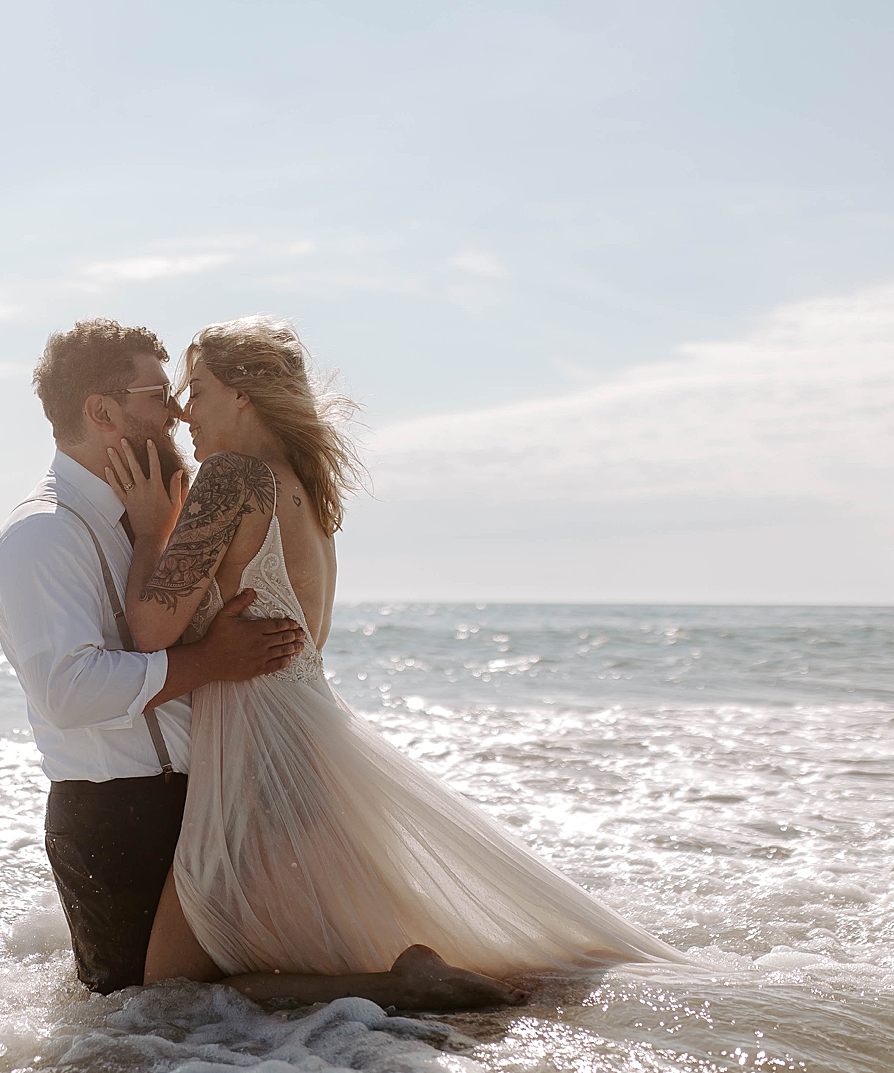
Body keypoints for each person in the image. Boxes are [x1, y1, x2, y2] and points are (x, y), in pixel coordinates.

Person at [103, 316, 688, 1008]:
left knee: (167, 995)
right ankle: (405, 990)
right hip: (309, 756)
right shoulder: (305, 489)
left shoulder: (233, 478)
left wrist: (148, 530)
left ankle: (403, 987)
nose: (182, 410)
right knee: (238, 973)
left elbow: (149, 628)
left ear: (244, 396)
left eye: (197, 390)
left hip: (259, 770)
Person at [0, 319, 308, 995]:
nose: (175, 411)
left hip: (202, 802)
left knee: (226, 1034)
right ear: (102, 412)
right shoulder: (41, 535)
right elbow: (68, 691)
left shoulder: (161, 516)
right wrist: (211, 661)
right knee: (137, 1039)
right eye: (157, 394)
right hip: (120, 819)